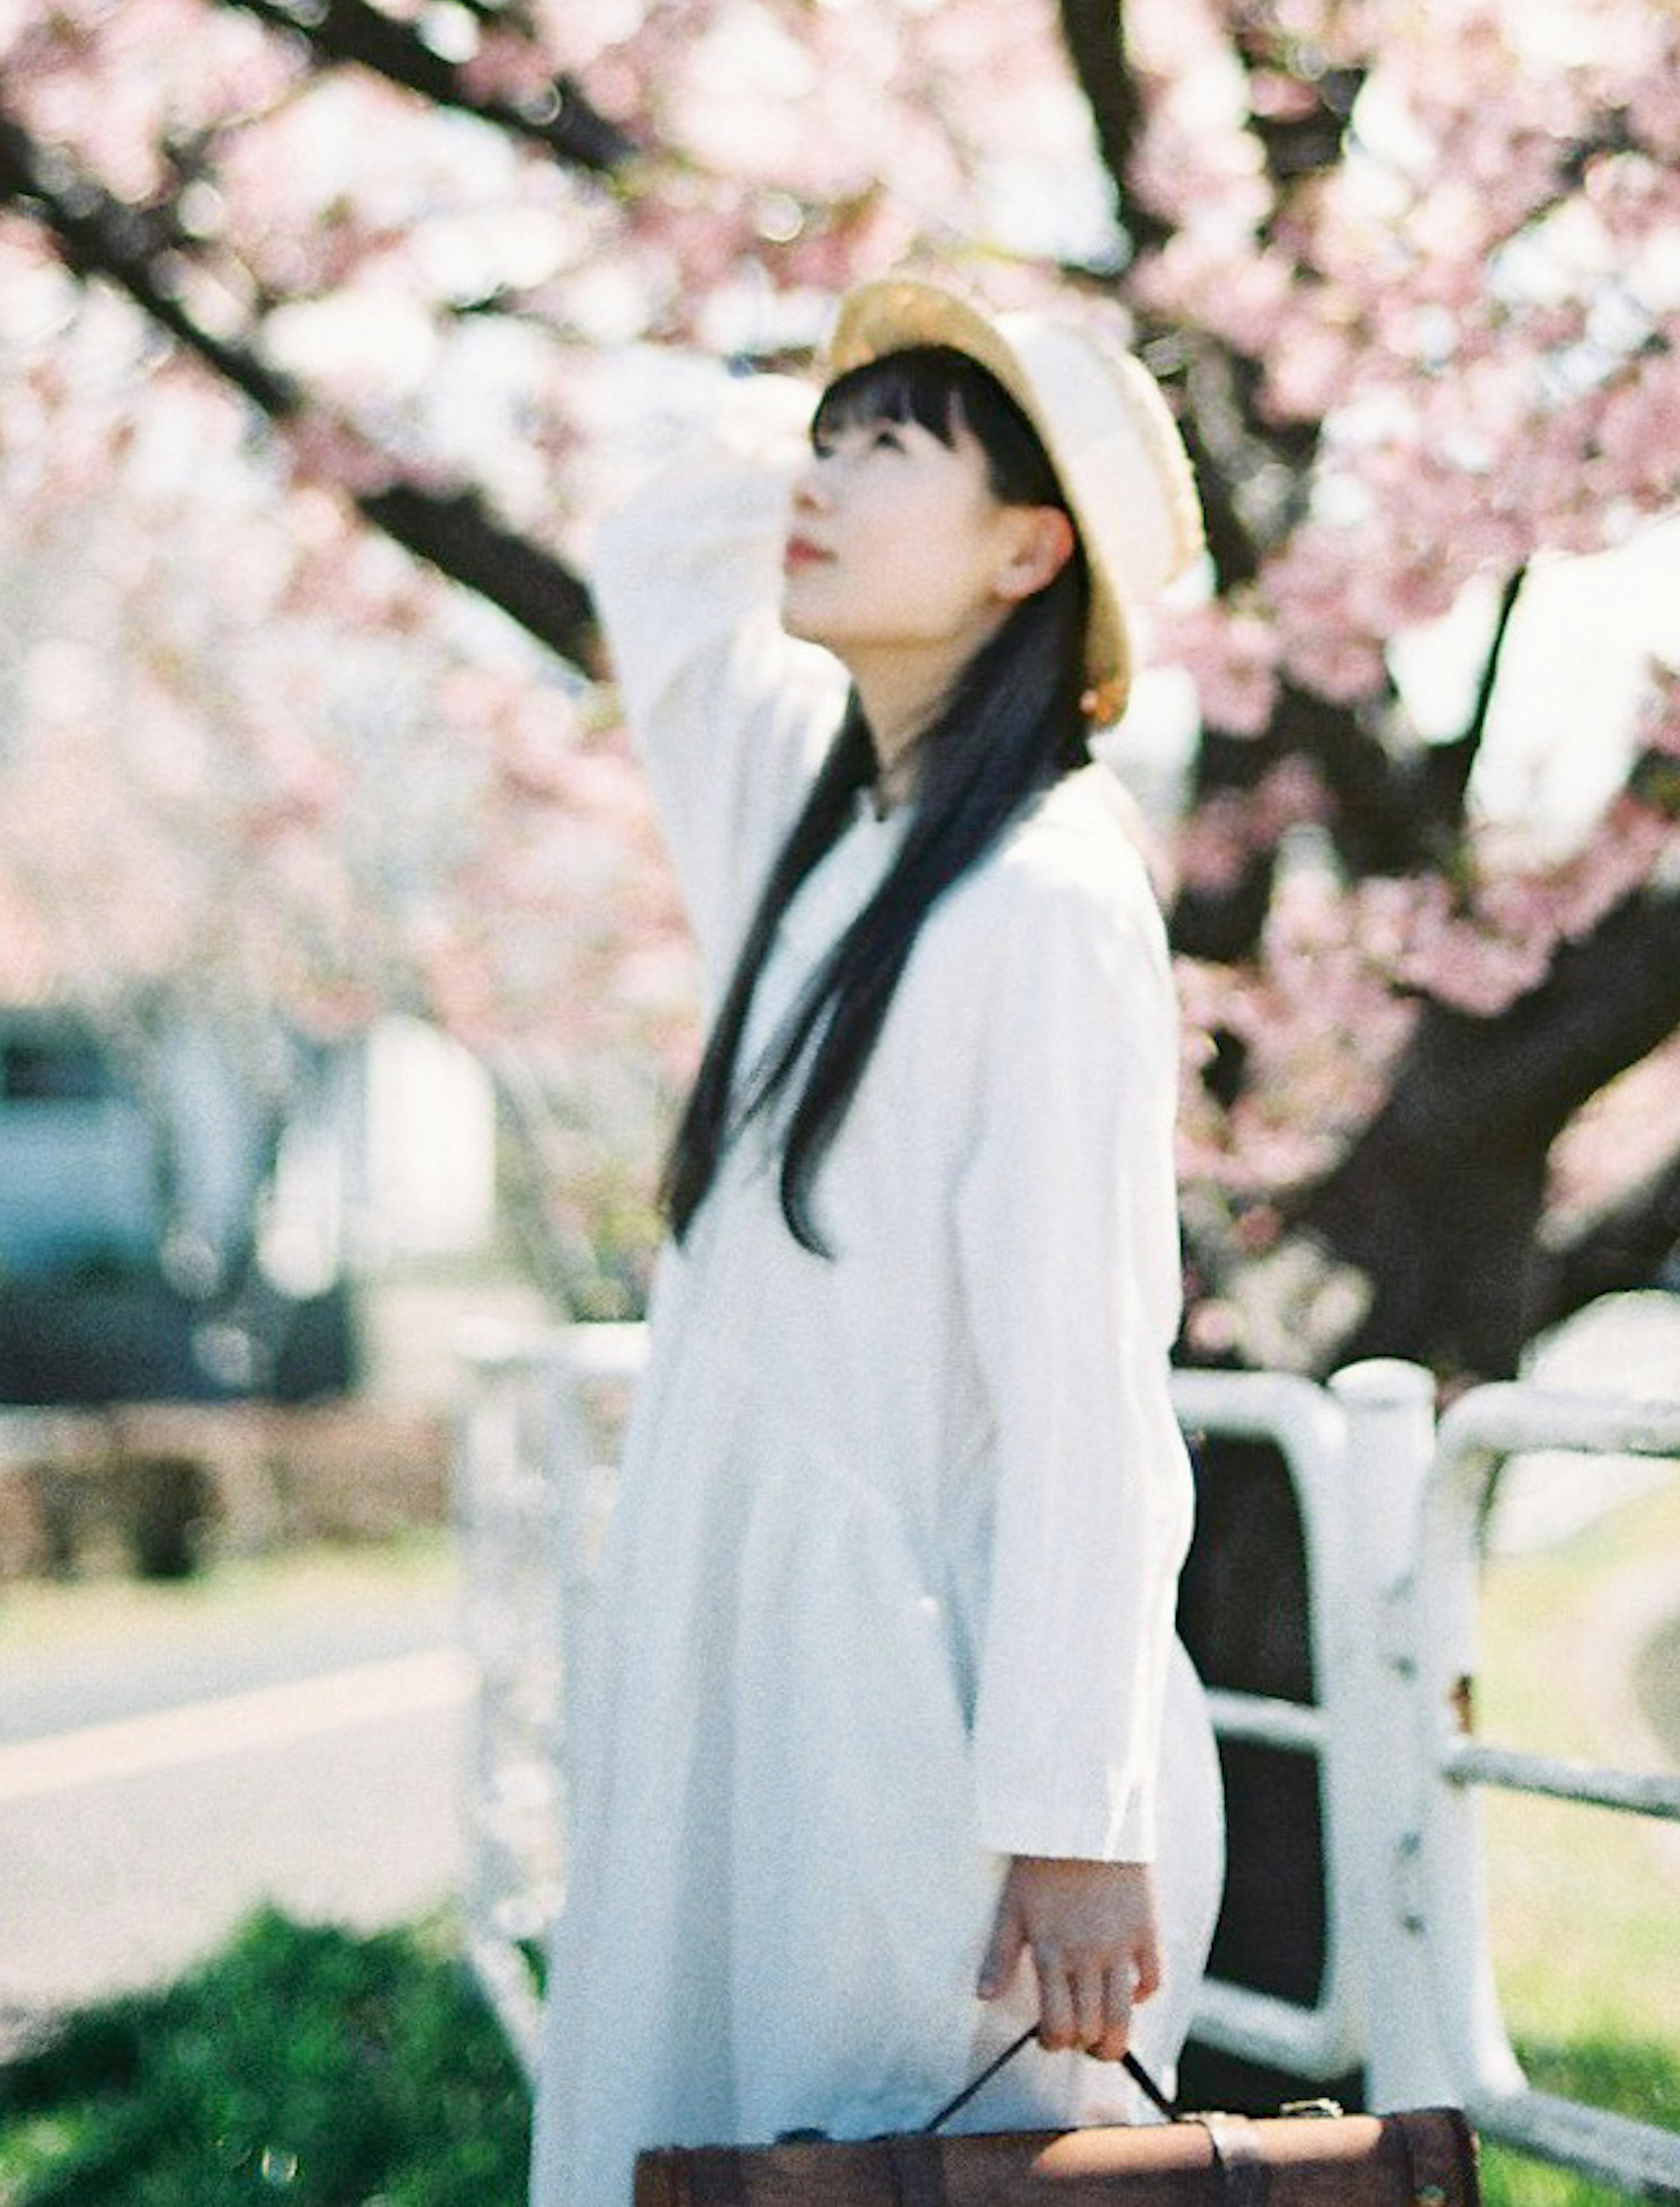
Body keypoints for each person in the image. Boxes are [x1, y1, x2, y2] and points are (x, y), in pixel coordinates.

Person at [528, 275, 1226, 2207]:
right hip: (757, 1657)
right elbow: (654, 543)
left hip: (923, 1719)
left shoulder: (1052, 888)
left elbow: (1093, 1376)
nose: (822, 478)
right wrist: (840, 400)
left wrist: (1076, 1809)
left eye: (889, 447)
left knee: (872, 2154)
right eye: (827, 442)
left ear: (1029, 545)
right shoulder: (817, 823)